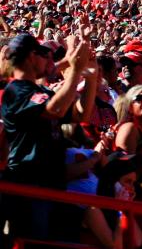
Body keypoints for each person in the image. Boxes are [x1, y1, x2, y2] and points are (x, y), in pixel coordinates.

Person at [1, 33, 95, 239]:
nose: (48, 59)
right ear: (30, 56)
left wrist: (92, 77)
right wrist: (75, 69)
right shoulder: (16, 90)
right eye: (43, 53)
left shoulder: (39, 90)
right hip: (29, 184)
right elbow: (56, 110)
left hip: (52, 181)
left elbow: (81, 115)